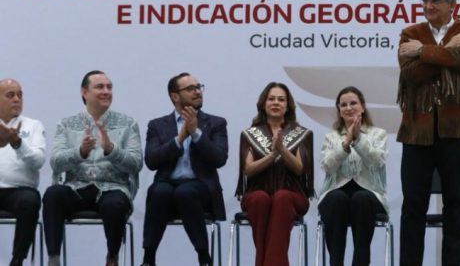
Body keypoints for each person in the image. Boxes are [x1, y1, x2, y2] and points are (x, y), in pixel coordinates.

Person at [396, 0, 460, 266]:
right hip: (417, 131)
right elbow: (411, 74)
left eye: (435, 0)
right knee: (413, 205)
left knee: (456, 202)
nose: (428, 6)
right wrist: (447, 51)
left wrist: (422, 51)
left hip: (457, 130)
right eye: (424, 1)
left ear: (452, 5)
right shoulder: (410, 33)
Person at [42, 71, 143, 266]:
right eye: (100, 87)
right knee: (53, 194)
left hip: (113, 187)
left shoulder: (128, 123)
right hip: (76, 188)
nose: (106, 91)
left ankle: (112, 257)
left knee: (114, 204)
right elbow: (56, 162)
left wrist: (111, 150)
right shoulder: (66, 124)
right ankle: (53, 259)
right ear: (84, 92)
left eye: (109, 87)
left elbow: (136, 163)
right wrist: (79, 152)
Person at [142, 73, 228, 266]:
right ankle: (148, 258)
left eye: (199, 87)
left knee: (185, 192)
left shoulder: (216, 123)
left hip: (200, 188)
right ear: (175, 96)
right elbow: (151, 161)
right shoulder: (157, 125)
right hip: (167, 184)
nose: (198, 91)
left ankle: (203, 256)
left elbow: (219, 158)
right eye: (191, 88)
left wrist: (196, 133)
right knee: (158, 191)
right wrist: (180, 139)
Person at [237, 82, 313, 266]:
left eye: (281, 99)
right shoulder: (250, 134)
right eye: (271, 99)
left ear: (288, 106)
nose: (276, 103)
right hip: (257, 192)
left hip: (292, 194)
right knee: (260, 199)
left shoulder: (302, 133)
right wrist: (272, 155)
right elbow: (248, 169)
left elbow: (299, 168)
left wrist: (282, 150)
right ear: (263, 104)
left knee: (281, 197)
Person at [318, 86, 388, 266]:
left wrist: (358, 140)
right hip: (335, 192)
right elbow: (327, 166)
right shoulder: (331, 137)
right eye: (343, 105)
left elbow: (377, 161)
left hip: (370, 193)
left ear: (362, 107)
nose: (348, 108)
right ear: (339, 110)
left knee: (361, 199)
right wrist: (346, 143)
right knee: (336, 199)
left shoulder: (378, 134)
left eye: (353, 103)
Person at [0, 78, 46, 266]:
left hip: (20, 191)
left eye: (20, 95)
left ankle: (17, 260)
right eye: (10, 95)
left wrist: (18, 143)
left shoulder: (33, 126)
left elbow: (38, 161)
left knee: (30, 202)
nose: (17, 99)